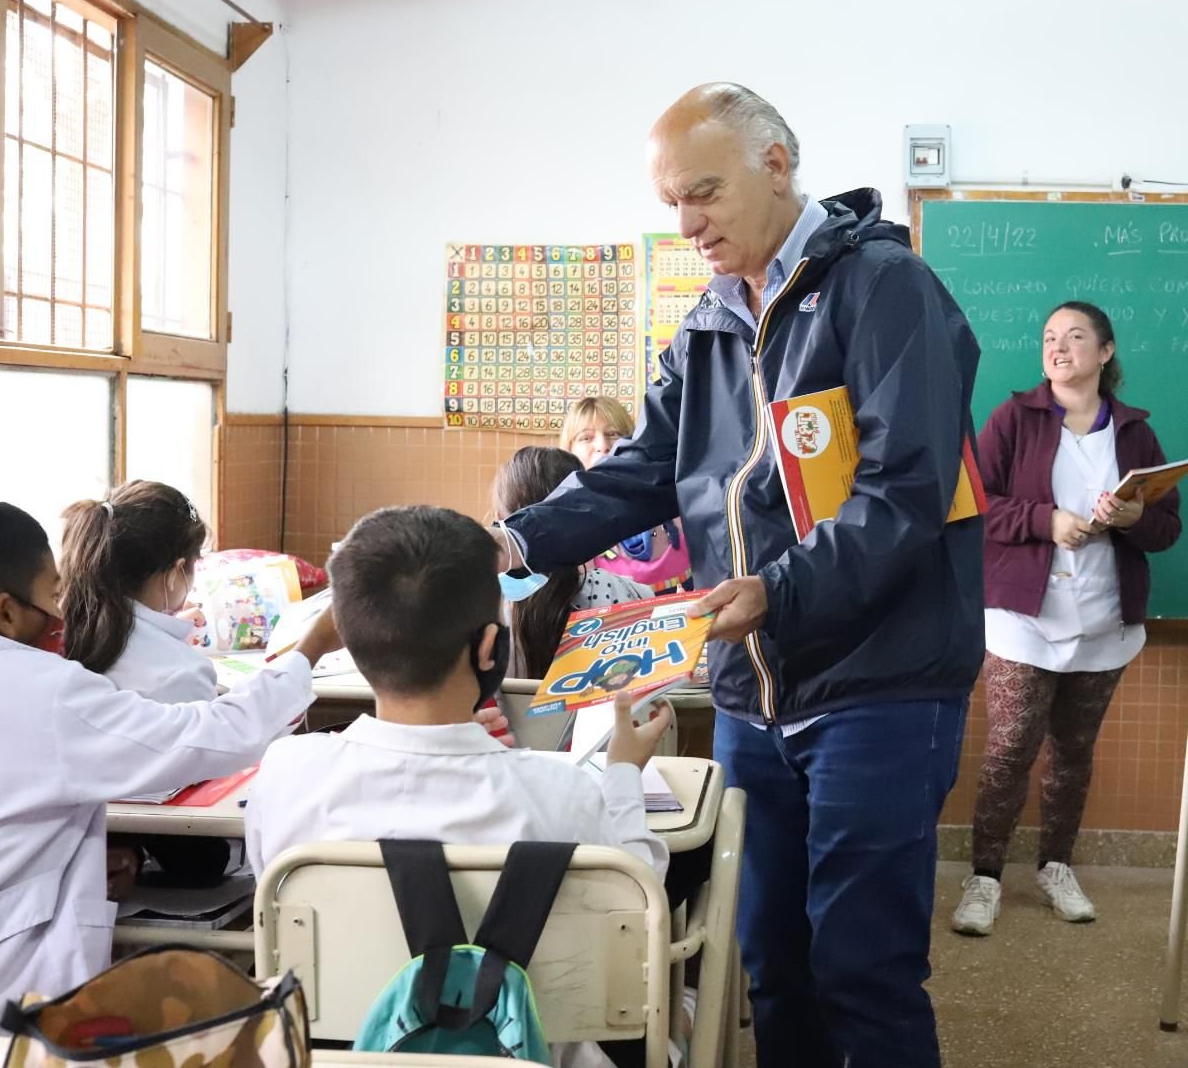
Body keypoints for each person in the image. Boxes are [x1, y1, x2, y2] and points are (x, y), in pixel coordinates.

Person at [493, 82, 983, 1067]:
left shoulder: (882, 288)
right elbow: (643, 469)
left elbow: (904, 489)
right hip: (752, 697)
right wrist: (514, 543)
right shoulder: (708, 322)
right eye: (671, 202)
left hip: (877, 686)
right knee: (769, 960)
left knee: (862, 966)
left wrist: (780, 590)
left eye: (702, 193)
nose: (685, 224)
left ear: (774, 164)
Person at [245, 505, 670, 1068]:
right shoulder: (559, 792)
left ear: (346, 637)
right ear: (490, 647)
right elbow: (640, 903)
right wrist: (621, 774)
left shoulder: (287, 772)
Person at [0, 497, 339, 1034]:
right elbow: (214, 735)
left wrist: (89, 854)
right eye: (54, 594)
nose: (63, 613)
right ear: (6, 611)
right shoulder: (40, 692)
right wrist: (312, 646)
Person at [951, 302, 1182, 935]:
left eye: (1076, 337)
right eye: (1050, 337)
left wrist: (1136, 520)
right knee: (1008, 751)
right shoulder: (1014, 418)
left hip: (1106, 622)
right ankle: (985, 877)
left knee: (1074, 754)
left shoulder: (1135, 433)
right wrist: (1044, 521)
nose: (1059, 347)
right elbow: (974, 504)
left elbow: (1168, 528)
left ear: (1105, 353)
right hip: (1024, 620)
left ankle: (1056, 866)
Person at [59, 480, 235, 895]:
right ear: (176, 572)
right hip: (149, 859)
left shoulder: (61, 630)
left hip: (66, 849)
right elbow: (196, 792)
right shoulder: (179, 671)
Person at [491, 446, 652, 678]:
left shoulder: (480, 607)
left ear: (500, 518)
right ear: (588, 518)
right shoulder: (634, 596)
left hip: (503, 716)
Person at [561, 397, 692, 595]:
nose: (603, 445)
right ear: (569, 450)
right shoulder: (565, 526)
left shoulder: (674, 500)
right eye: (586, 438)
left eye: (613, 434)